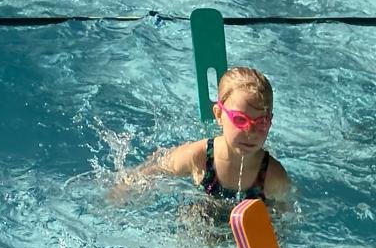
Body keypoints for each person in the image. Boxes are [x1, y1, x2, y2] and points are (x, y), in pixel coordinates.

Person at [114, 66, 291, 205]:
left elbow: (286, 215)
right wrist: (122, 190)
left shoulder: (273, 176)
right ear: (219, 115)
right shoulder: (199, 156)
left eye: (261, 122)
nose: (250, 132)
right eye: (240, 120)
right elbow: (156, 168)